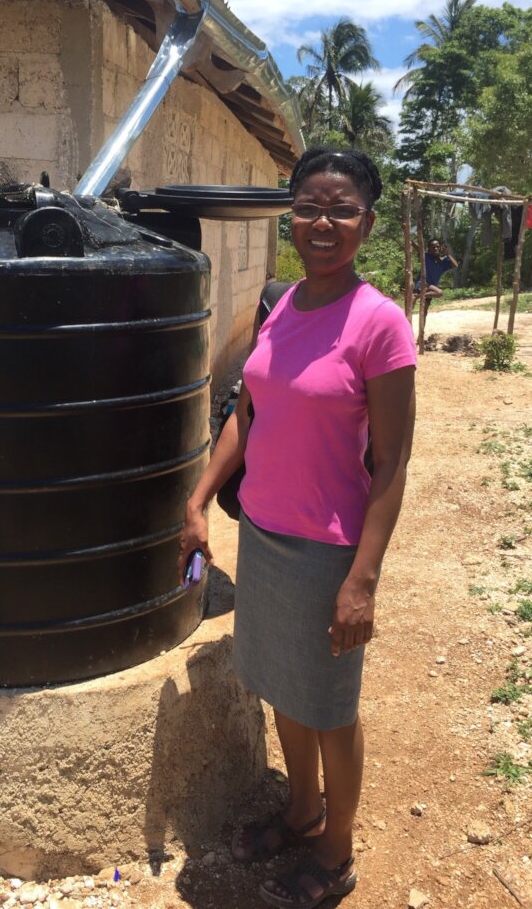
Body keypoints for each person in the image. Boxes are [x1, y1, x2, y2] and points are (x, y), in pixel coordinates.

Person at [178, 148, 416, 908]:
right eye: (309, 207)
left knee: (330, 709)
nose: (323, 222)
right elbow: (247, 414)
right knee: (284, 687)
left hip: (327, 551)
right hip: (266, 536)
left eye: (342, 210)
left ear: (367, 223)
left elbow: (393, 461)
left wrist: (362, 581)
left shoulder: (379, 323)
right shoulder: (280, 306)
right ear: (291, 216)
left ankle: (336, 850)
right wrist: (199, 500)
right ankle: (302, 810)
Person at [412, 238, 458, 312]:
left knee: (424, 311)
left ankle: (417, 296)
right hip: (422, 284)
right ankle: (417, 296)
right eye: (433, 247)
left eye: (437, 246)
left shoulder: (443, 262)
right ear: (429, 249)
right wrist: (410, 240)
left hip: (431, 290)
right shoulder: (426, 256)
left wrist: (447, 254)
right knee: (439, 292)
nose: (435, 248)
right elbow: (417, 248)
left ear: (440, 248)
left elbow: (455, 265)